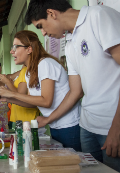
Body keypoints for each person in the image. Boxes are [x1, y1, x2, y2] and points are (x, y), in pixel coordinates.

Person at [25, 0, 120, 171]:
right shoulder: (69, 43)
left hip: (112, 126)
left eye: (41, 26)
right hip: (87, 127)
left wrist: (117, 126)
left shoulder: (98, 16)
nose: (44, 33)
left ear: (52, 13)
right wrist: (48, 119)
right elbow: (75, 92)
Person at [0, 30, 81, 152]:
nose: (12, 51)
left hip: (69, 124)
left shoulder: (45, 64)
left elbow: (46, 101)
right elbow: (33, 103)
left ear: (29, 49)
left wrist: (12, 93)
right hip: (55, 124)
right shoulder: (30, 72)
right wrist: (8, 99)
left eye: (16, 47)